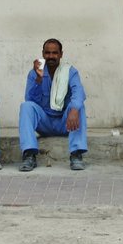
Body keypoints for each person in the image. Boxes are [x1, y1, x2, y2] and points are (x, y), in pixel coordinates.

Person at [18, 38, 87, 171]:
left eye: (54, 53)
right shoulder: (34, 73)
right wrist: (39, 79)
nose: (51, 56)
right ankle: (29, 155)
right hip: (45, 123)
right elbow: (30, 100)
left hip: (65, 123)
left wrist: (73, 110)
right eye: (47, 53)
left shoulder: (70, 72)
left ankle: (76, 154)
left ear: (61, 54)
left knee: (78, 106)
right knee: (26, 106)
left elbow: (79, 92)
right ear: (43, 54)